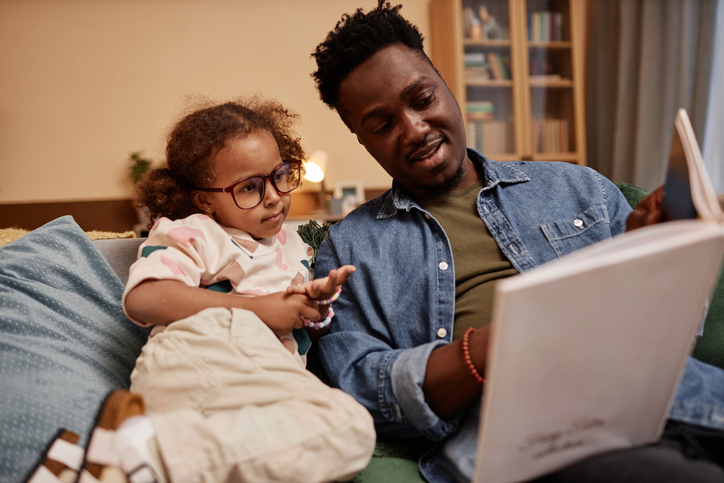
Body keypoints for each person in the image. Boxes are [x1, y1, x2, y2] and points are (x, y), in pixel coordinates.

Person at [308, 1, 724, 482]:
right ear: (363, 138)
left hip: (687, 401)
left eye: (423, 99)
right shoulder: (350, 249)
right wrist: (489, 348)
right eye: (382, 125)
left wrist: (656, 257)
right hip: (548, 441)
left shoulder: (577, 186)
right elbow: (363, 388)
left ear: (448, 86)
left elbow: (677, 333)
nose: (415, 129)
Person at [74, 98, 375, 483]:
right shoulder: (197, 232)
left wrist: (311, 308)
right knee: (350, 425)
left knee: (322, 441)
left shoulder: (296, 246)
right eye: (249, 187)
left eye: (280, 175)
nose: (273, 196)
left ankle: (131, 459)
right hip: (204, 354)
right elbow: (144, 297)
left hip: (260, 386)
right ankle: (136, 452)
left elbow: (294, 326)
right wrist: (263, 309)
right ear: (204, 201)